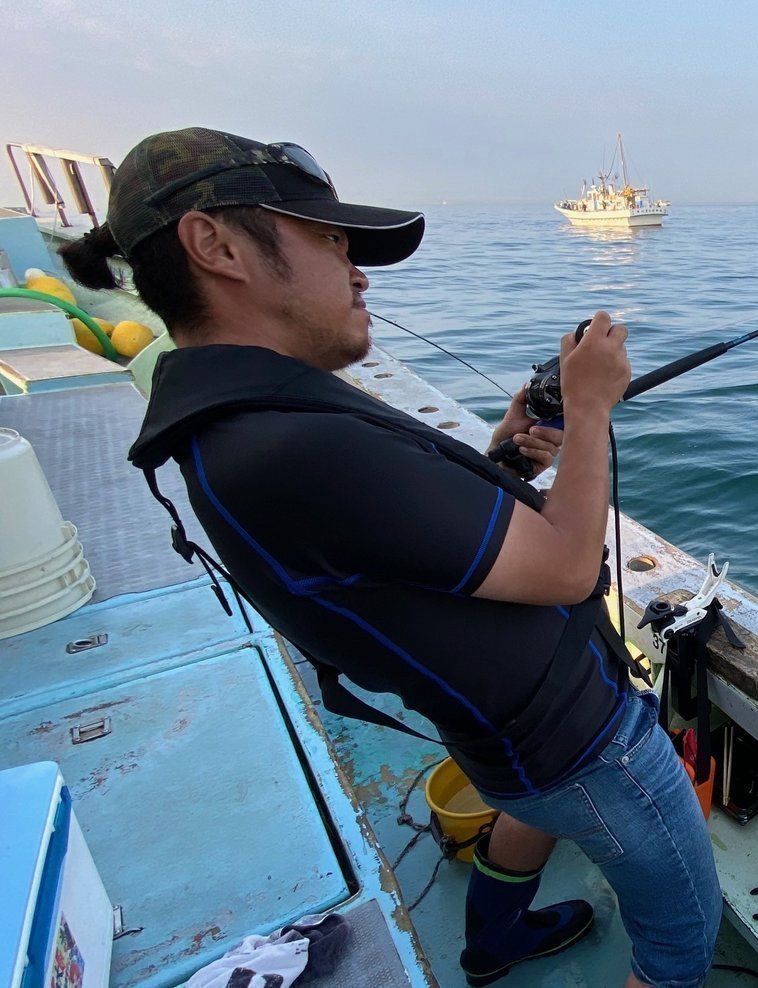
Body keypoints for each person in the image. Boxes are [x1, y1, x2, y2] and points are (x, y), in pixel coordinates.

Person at [60, 127, 720, 988]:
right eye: (330, 241)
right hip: (582, 747)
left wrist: (507, 465)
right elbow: (564, 568)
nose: (358, 270)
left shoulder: (248, 418)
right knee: (680, 947)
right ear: (215, 244)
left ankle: (494, 944)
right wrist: (591, 408)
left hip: (506, 746)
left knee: (528, 815)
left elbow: (390, 540)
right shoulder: (287, 442)